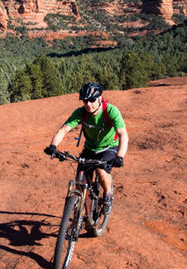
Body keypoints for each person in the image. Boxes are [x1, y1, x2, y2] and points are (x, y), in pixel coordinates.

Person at [44, 82, 128, 215]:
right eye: (85, 101)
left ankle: (108, 196)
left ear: (100, 98)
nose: (88, 104)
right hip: (90, 148)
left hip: (108, 148)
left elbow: (123, 134)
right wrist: (53, 146)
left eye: (92, 100)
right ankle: (81, 208)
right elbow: (64, 129)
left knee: (101, 172)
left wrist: (120, 156)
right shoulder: (81, 113)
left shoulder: (111, 111)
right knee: (80, 178)